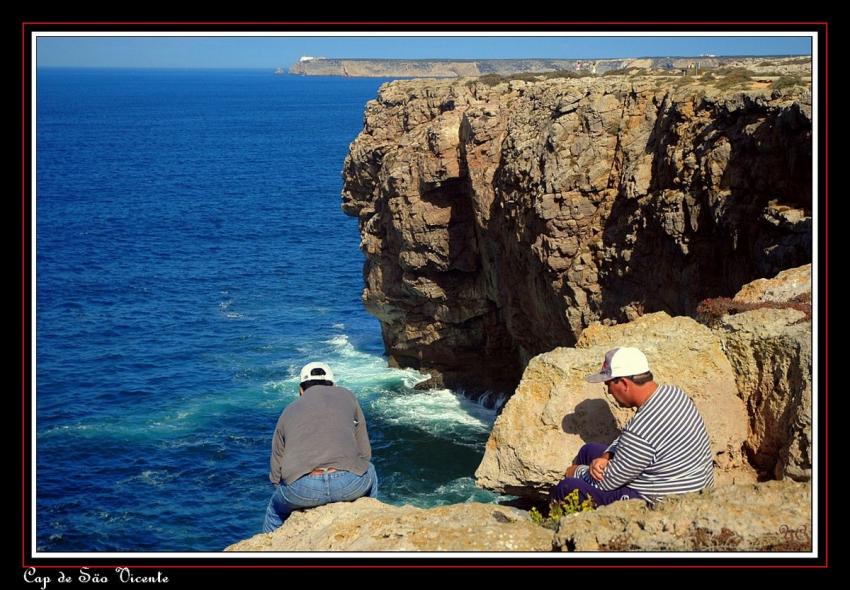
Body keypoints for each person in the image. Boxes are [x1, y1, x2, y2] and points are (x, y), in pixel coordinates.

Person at [550, 347, 714, 507]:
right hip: (691, 485)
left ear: (623, 383)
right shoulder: (672, 394)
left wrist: (575, 471)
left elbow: (606, 482)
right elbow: (629, 440)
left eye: (608, 385)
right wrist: (607, 456)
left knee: (567, 488)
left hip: (665, 502)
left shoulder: (643, 428)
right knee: (589, 451)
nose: (608, 392)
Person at [262, 361, 378, 532]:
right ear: (333, 385)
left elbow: (275, 471)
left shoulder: (288, 410)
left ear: (301, 390)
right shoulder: (347, 396)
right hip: (349, 484)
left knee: (274, 510)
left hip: (303, 490)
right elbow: (365, 453)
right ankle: (368, 525)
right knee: (371, 471)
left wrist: (289, 492)